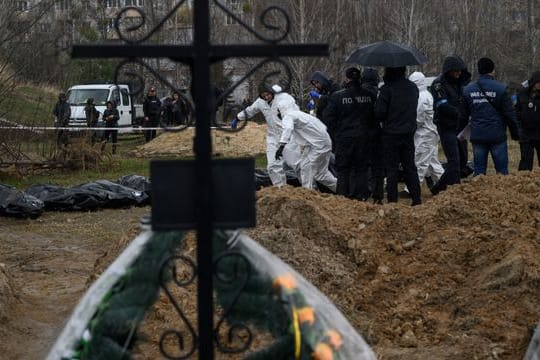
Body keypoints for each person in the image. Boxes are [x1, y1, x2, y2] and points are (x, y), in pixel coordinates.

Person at [232, 84, 302, 186]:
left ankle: (310, 188)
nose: (266, 97)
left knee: (296, 164)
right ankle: (281, 190)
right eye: (263, 95)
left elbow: (295, 114)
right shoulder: (261, 102)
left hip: (287, 136)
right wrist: (238, 118)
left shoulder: (283, 100)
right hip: (273, 137)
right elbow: (250, 110)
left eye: (268, 94)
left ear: (272, 92)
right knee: (272, 166)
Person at [323, 67, 376, 200]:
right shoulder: (369, 96)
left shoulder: (338, 96)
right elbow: (375, 116)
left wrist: (336, 133)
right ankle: (361, 196)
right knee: (361, 168)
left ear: (347, 78)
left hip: (344, 138)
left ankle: (343, 197)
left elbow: (328, 118)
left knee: (343, 169)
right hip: (364, 137)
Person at [462, 57, 519, 175]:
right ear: (493, 70)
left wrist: (459, 133)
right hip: (497, 135)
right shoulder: (501, 89)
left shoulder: (468, 90)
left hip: (478, 135)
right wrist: (515, 133)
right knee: (502, 172)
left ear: (479, 70)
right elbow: (510, 114)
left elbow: (463, 115)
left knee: (479, 172)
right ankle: (502, 193)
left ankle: (479, 193)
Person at [375, 66, 421, 206]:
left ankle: (392, 201)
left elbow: (380, 114)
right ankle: (416, 199)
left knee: (391, 169)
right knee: (410, 167)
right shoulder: (413, 88)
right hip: (408, 132)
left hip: (390, 134)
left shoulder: (386, 89)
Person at [275, 94, 337, 193]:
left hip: (318, 146)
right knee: (315, 172)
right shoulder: (302, 115)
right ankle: (341, 190)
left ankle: (309, 195)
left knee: (312, 172)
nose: (278, 114)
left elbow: (288, 128)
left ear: (282, 109)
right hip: (322, 143)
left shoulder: (289, 116)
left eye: (278, 111)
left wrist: (281, 146)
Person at [429, 55, 471, 195]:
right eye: (456, 71)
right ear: (449, 71)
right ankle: (456, 190)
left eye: (460, 71)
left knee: (462, 161)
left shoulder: (461, 83)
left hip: (460, 127)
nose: (458, 74)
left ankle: (438, 188)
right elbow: (442, 105)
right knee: (454, 161)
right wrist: (460, 113)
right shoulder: (438, 84)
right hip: (446, 126)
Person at [408, 71, 444, 188]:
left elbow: (418, 119)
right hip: (429, 132)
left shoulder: (420, 97)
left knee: (420, 161)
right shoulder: (426, 94)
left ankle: (412, 188)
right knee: (433, 163)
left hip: (424, 134)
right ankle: (445, 183)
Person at [361, 67, 384, 203]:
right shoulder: (379, 94)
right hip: (377, 132)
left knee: (362, 165)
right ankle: (378, 195)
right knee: (378, 166)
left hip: (361, 132)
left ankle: (364, 192)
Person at [516, 71, 540, 171]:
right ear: (534, 82)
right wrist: (519, 127)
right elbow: (516, 111)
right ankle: (524, 183)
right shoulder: (522, 94)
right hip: (526, 135)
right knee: (526, 162)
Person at [310, 71, 341, 144]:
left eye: (317, 83)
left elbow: (335, 100)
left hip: (336, 125)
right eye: (314, 84)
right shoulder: (322, 91)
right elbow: (320, 109)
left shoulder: (334, 87)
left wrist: (321, 97)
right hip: (325, 126)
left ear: (322, 80)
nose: (316, 86)